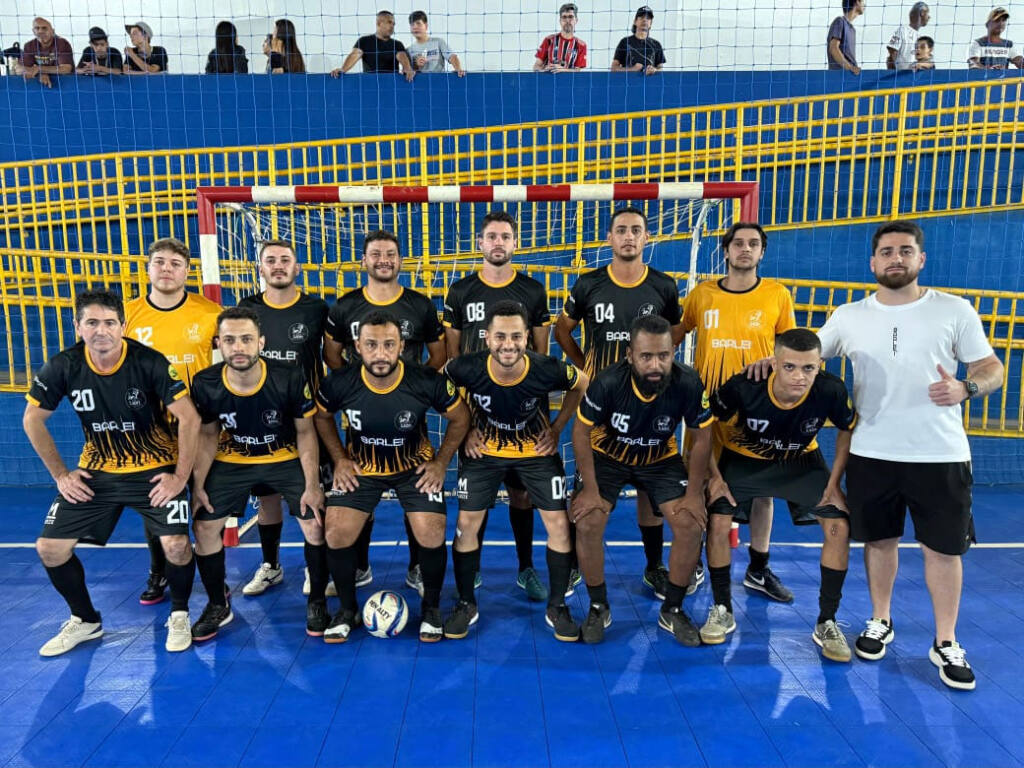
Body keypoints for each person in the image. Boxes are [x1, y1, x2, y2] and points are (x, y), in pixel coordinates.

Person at [754, 221, 1004, 690]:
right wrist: (764, 364)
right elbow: (806, 355)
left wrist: (966, 387)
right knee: (879, 543)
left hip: (940, 454)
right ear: (872, 263)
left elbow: (992, 368)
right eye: (886, 251)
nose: (896, 258)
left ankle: (946, 641)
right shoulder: (849, 315)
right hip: (871, 452)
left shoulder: (954, 310)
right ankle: (879, 620)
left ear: (920, 260)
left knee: (943, 550)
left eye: (905, 251)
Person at [24, 291, 200, 655]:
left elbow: (189, 417)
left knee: (177, 545)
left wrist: (180, 478)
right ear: (78, 327)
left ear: (122, 326)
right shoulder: (63, 366)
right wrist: (61, 475)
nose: (101, 330)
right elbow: (32, 419)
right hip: (97, 471)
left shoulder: (149, 362)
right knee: (50, 548)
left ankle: (180, 614)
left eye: (109, 322)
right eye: (92, 322)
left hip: (154, 467)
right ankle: (85, 620)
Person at [314, 311, 470, 643]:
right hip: (362, 469)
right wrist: (340, 458)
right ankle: (346, 610)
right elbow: (323, 418)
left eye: (388, 344)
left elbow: (460, 418)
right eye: (371, 345)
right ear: (357, 346)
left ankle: (430, 608)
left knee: (431, 529)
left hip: (413, 468)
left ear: (402, 346)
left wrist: (442, 463)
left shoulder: (425, 380)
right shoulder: (339, 382)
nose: (380, 353)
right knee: (336, 530)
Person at [555, 206, 684, 601]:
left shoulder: (663, 286)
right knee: (589, 485)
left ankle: (653, 567)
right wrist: (585, 368)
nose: (629, 237)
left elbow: (672, 336)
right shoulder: (589, 283)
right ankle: (578, 565)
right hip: (599, 403)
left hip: (648, 403)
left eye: (636, 231)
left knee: (650, 487)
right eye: (621, 230)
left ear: (647, 238)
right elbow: (562, 331)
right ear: (609, 238)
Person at [704, 329, 857, 661]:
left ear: (820, 366)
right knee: (717, 520)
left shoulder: (830, 390)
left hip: (800, 462)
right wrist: (714, 477)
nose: (799, 377)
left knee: (838, 527)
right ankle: (721, 608)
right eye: (789, 367)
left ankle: (827, 621)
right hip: (744, 459)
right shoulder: (745, 386)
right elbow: (703, 424)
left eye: (808, 368)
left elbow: (847, 428)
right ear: (774, 362)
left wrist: (835, 482)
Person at [442, 301, 589, 640]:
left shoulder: (545, 367)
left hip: (534, 451)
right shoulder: (465, 366)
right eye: (500, 337)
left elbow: (581, 384)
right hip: (485, 451)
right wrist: (465, 428)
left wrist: (555, 429)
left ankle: (557, 607)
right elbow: (440, 387)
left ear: (527, 338)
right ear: (486, 337)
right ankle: (466, 603)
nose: (508, 345)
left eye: (516, 337)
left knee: (558, 524)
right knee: (466, 524)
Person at [571, 315, 713, 645]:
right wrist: (590, 489)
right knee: (589, 521)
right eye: (646, 356)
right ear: (629, 354)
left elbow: (702, 438)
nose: (655, 364)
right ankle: (597, 605)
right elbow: (580, 430)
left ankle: (673, 610)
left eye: (663, 355)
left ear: (673, 351)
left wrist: (694, 495)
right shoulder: (607, 382)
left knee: (691, 523)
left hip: (659, 458)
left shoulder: (688, 383)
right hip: (608, 456)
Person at [189, 307, 328, 640]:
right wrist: (198, 485)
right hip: (234, 456)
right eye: (230, 340)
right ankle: (216, 603)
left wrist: (312, 485)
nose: (239, 347)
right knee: (204, 524)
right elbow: (208, 435)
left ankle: (319, 601)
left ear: (261, 342)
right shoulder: (206, 382)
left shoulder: (289, 376)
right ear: (218, 343)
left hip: (285, 454)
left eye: (247, 339)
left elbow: (306, 432)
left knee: (314, 519)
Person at [324, 229, 447, 598]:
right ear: (364, 261)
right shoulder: (344, 306)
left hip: (410, 416)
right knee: (359, 488)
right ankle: (358, 566)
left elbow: (438, 355)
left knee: (418, 489)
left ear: (399, 260)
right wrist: (355, 384)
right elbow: (332, 355)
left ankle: (417, 568)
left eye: (390, 253)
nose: (383, 259)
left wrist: (417, 386)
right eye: (376, 253)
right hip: (362, 417)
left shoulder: (420, 305)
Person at [680, 222, 797, 603]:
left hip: (757, 410)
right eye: (738, 244)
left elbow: (792, 350)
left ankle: (758, 568)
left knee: (763, 493)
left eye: (754, 244)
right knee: (697, 485)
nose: (745, 249)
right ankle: (695, 562)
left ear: (762, 252)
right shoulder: (702, 295)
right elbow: (675, 334)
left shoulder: (777, 296)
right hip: (707, 409)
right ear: (726, 251)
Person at [444, 211, 557, 601]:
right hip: (476, 416)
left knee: (523, 494)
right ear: (480, 242)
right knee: (477, 495)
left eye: (505, 237)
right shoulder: (459, 292)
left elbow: (541, 354)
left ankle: (525, 568)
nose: (497, 243)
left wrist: (545, 421)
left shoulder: (533, 290)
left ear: (514, 243)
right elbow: (452, 361)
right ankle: (470, 571)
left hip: (525, 415)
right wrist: (466, 424)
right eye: (490, 236)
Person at [125, 238, 220, 607]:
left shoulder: (209, 312)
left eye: (175, 263)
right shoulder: (128, 315)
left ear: (187, 271)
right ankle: (158, 570)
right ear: (148, 268)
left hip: (198, 425)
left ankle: (215, 580)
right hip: (149, 428)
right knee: (157, 501)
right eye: (159, 262)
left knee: (204, 501)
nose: (167, 269)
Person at [236, 241, 333, 598]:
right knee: (268, 498)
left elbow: (333, 356)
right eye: (270, 260)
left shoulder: (316, 309)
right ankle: (271, 566)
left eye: (285, 260)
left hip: (307, 417)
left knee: (313, 492)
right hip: (262, 419)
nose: (278, 266)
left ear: (298, 268)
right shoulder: (247, 309)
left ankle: (315, 566)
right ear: (260, 269)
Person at [331, 10, 414, 80]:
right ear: (378, 23)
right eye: (389, 22)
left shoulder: (397, 44)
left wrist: (408, 68)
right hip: (370, 84)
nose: (392, 26)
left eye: (393, 24)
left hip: (391, 84)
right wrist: (343, 69)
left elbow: (402, 56)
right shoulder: (364, 41)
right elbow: (354, 55)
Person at [19, 17, 73, 88]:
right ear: (33, 31)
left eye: (44, 28)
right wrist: (41, 73)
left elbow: (66, 69)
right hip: (41, 85)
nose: (40, 31)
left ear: (52, 31)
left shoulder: (61, 43)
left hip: (65, 84)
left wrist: (39, 69)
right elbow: (19, 68)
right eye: (37, 28)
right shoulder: (29, 45)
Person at [406, 11, 465, 75]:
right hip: (420, 83)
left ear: (426, 26)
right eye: (412, 24)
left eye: (418, 23)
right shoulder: (408, 50)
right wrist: (416, 66)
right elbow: (409, 72)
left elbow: (452, 57)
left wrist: (458, 69)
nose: (415, 27)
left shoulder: (438, 42)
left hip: (439, 81)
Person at [534, 3, 587, 72]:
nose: (567, 20)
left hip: (569, 82)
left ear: (576, 20)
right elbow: (536, 67)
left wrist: (563, 70)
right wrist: (544, 70)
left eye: (570, 17)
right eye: (564, 17)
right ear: (560, 21)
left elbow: (577, 71)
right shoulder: (549, 40)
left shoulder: (581, 45)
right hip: (549, 80)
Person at [611, 7, 664, 75]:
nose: (645, 20)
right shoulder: (625, 42)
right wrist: (632, 69)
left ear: (651, 24)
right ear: (635, 21)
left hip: (649, 83)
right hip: (628, 83)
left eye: (648, 18)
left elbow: (661, 68)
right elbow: (614, 68)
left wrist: (654, 70)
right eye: (641, 17)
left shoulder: (656, 44)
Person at [886, 2, 930, 70]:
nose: (929, 17)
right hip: (901, 76)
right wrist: (894, 74)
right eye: (928, 13)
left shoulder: (920, 37)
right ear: (922, 13)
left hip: (913, 77)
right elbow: (892, 52)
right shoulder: (903, 30)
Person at [828, 0, 864, 74]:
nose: (865, 5)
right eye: (863, 1)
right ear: (857, 2)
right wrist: (850, 67)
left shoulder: (852, 29)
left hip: (850, 77)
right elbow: (833, 48)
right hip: (839, 77)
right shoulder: (840, 21)